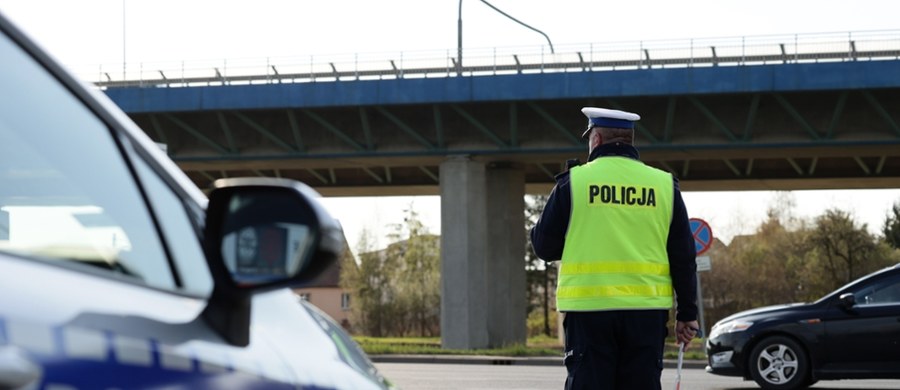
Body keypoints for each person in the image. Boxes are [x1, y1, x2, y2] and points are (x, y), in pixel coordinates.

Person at [530, 107, 699, 390]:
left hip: (589, 312)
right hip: (647, 313)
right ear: (630, 140)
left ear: (595, 140)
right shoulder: (664, 185)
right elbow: (683, 256)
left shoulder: (574, 183)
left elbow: (544, 248)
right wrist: (687, 314)